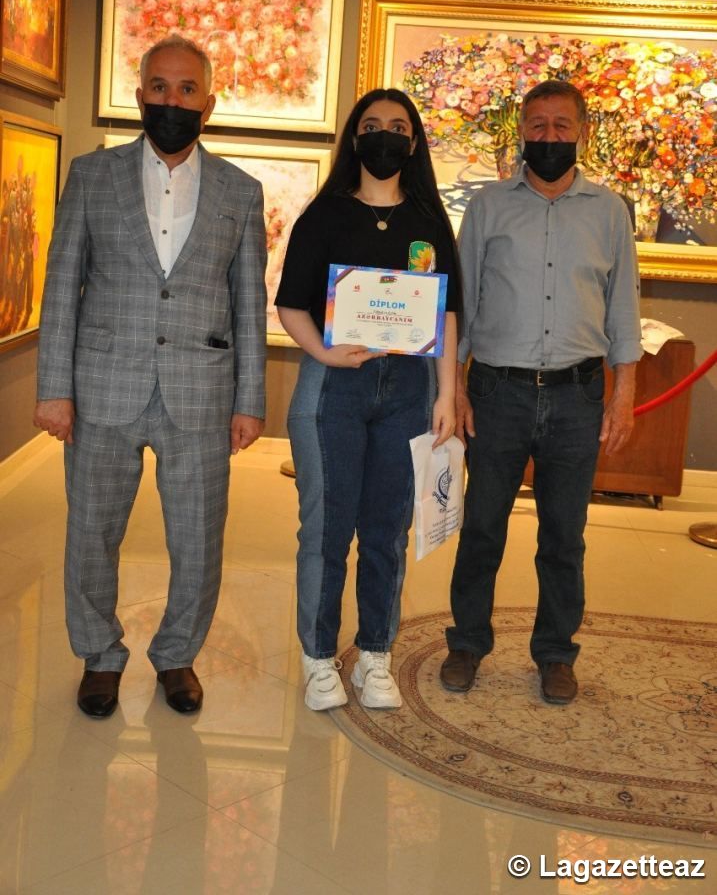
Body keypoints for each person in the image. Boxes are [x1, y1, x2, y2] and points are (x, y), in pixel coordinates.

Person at [33, 35, 267, 718]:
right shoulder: (91, 176)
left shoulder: (240, 192)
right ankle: (99, 656)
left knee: (198, 539)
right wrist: (53, 389)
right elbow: (62, 285)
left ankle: (176, 655)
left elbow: (248, 302)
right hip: (102, 387)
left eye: (187, 89)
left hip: (201, 392)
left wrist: (250, 399)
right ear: (139, 96)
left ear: (208, 103)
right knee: (92, 534)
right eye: (159, 87)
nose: (173, 100)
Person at [440, 79, 642, 705]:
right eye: (537, 125)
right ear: (521, 132)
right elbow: (462, 301)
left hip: (577, 395)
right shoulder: (488, 208)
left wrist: (624, 394)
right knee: (482, 526)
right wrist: (455, 387)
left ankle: (555, 653)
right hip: (496, 393)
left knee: (563, 535)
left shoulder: (609, 212)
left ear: (581, 132)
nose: (548, 136)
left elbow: (623, 307)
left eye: (561, 125)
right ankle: (467, 643)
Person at [276, 88, 461, 712]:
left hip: (409, 391)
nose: (386, 136)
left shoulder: (430, 221)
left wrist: (447, 393)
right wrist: (324, 352)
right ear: (355, 138)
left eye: (399, 127)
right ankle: (318, 658)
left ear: (414, 141)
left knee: (387, 529)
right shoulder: (324, 216)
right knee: (326, 530)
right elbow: (290, 305)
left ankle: (376, 654)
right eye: (373, 125)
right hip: (334, 390)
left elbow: (447, 313)